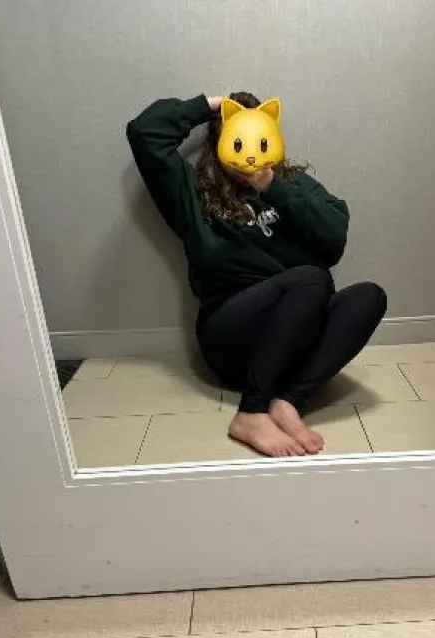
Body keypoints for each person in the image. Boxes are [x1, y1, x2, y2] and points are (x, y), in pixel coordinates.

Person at [126, 93, 387, 457]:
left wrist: (272, 187)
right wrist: (212, 106)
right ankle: (251, 412)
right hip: (230, 335)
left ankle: (287, 401)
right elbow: (144, 132)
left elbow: (334, 238)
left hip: (296, 333)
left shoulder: (293, 185)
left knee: (370, 296)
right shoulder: (194, 192)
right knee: (310, 278)